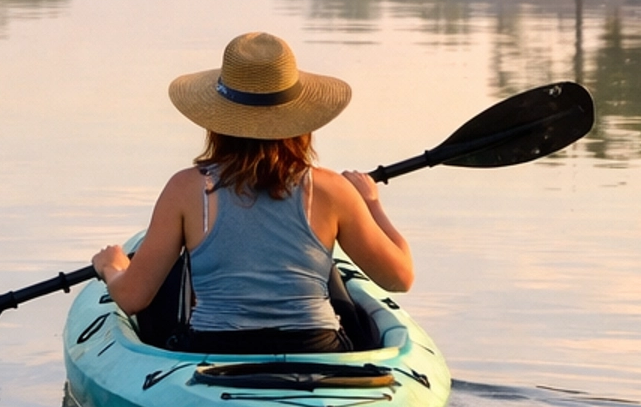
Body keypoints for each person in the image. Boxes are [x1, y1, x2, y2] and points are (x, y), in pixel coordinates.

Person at [90, 31, 413, 353]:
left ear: (216, 120)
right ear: (302, 121)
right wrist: (371, 204)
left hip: (216, 347)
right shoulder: (333, 190)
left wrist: (113, 267)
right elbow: (399, 278)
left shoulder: (186, 188)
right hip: (317, 347)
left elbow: (133, 298)